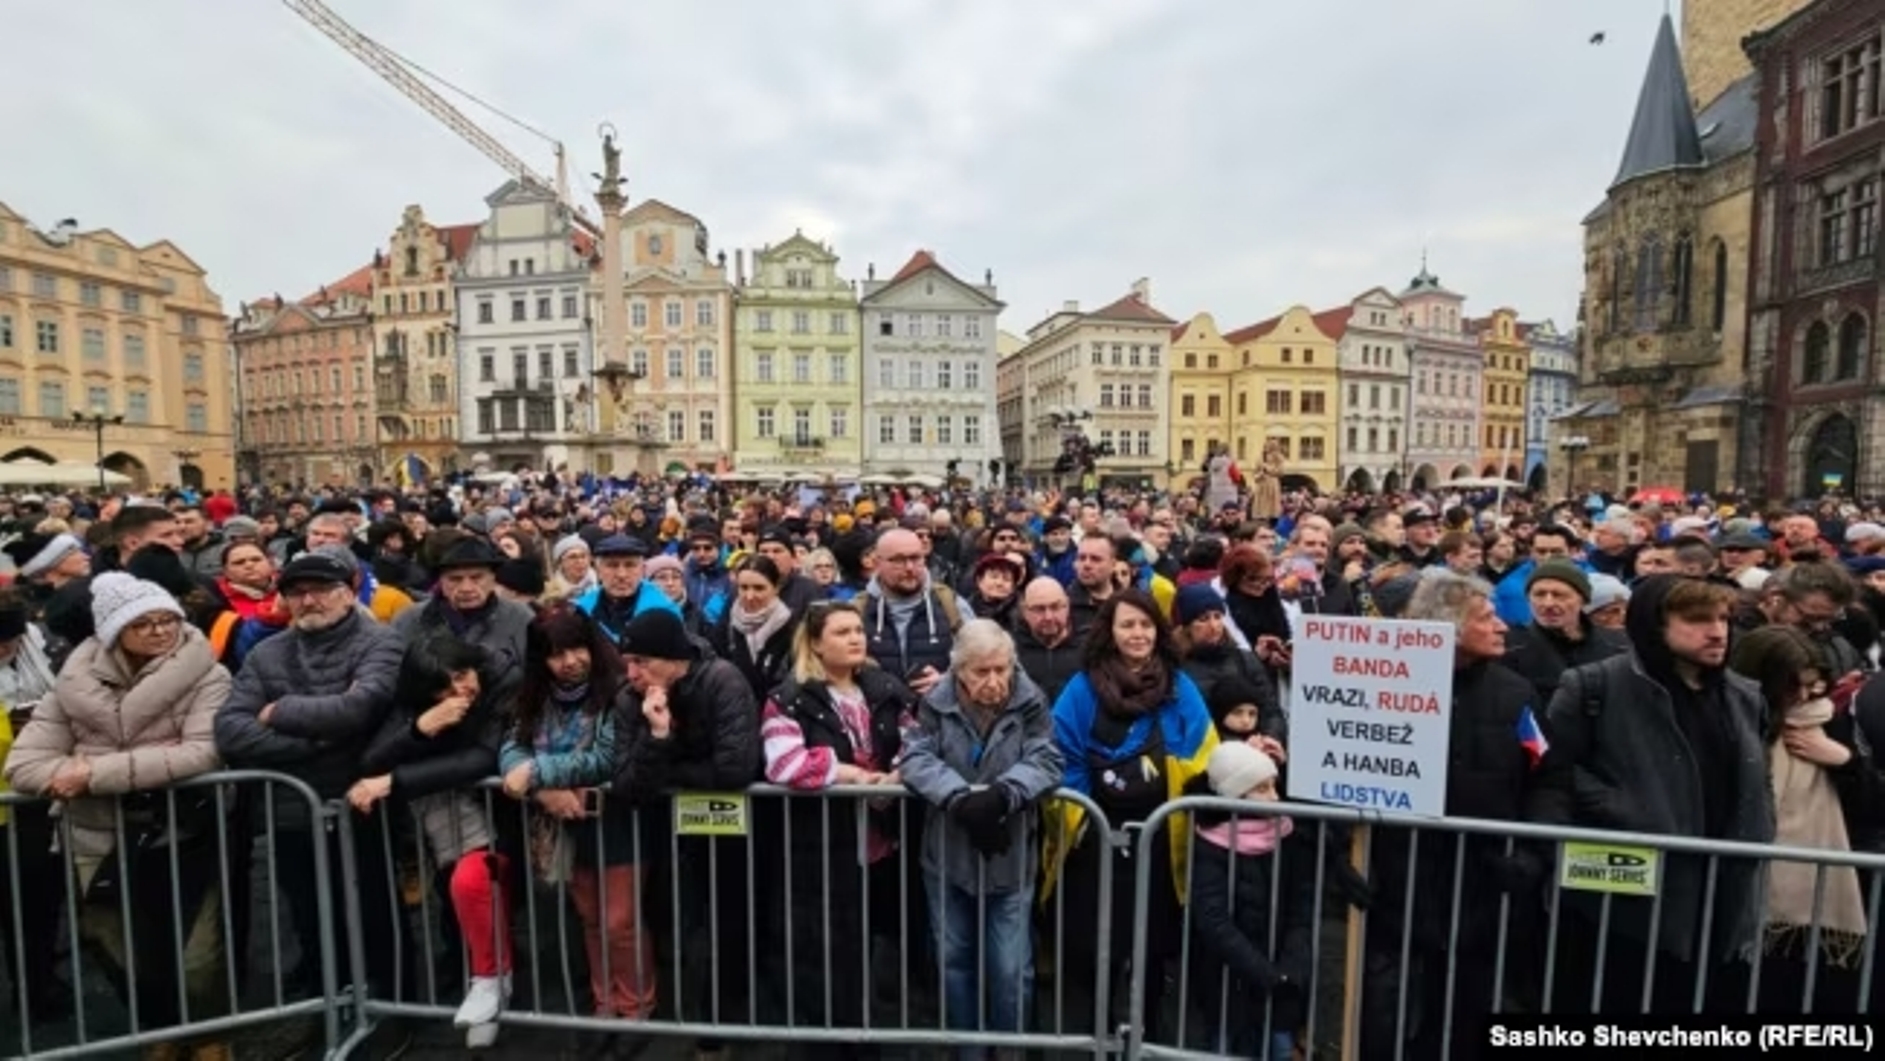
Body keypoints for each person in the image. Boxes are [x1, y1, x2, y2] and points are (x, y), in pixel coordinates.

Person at [6, 573, 235, 1060]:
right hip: (95, 836)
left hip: (180, 827)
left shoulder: (208, 675)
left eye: (166, 620)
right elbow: (24, 765)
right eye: (143, 623)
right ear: (113, 631)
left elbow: (201, 753)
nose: (158, 631)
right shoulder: (73, 682)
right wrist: (107, 770)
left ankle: (209, 1038)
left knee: (196, 951)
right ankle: (164, 1030)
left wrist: (91, 773)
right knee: (116, 949)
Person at [1530, 575, 1772, 1013]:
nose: (1717, 631)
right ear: (1653, 625)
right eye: (1697, 620)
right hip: (1625, 904)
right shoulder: (1593, 685)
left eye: (1723, 618)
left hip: (1722, 897)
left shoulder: (1743, 695)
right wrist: (1626, 808)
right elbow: (1553, 770)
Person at [212, 551, 414, 1013]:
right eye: (297, 593)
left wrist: (280, 713)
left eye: (320, 590)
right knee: (309, 913)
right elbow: (230, 730)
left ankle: (399, 1002)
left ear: (346, 593)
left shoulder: (379, 642)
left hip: (362, 802)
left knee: (377, 911)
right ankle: (333, 1002)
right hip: (290, 806)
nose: (308, 600)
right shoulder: (267, 653)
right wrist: (321, 741)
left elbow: (359, 710)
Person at [1045, 589, 1217, 1040]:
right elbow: (1062, 752)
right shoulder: (1082, 686)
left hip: (1161, 838)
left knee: (1152, 946)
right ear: (1110, 631)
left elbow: (1202, 750)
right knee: (1094, 945)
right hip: (1096, 840)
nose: (1137, 634)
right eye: (1127, 625)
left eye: (1145, 625)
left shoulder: (1180, 686)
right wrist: (1082, 822)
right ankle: (1095, 1033)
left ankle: (1148, 1035)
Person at [758, 601, 919, 1050]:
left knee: (872, 950)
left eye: (858, 630)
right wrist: (849, 775)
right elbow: (783, 763)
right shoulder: (788, 696)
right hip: (820, 848)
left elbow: (919, 740)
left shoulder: (885, 687)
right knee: (822, 957)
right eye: (842, 632)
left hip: (881, 844)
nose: (856, 638)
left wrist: (898, 774)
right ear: (814, 643)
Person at [901, 619, 1063, 1058]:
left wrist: (1003, 796)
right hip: (947, 855)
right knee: (954, 964)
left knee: (1011, 970)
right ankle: (968, 1053)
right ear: (960, 671)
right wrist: (958, 799)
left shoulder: (1030, 701)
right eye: (982, 672)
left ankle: (1009, 1053)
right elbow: (914, 758)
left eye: (1001, 669)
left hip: (1011, 856)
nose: (994, 681)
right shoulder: (936, 702)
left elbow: (1047, 758)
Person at [499, 606, 656, 1046]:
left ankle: (637, 1006)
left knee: (620, 920)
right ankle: (604, 1002)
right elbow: (511, 748)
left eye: (576, 648)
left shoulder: (619, 691)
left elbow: (607, 757)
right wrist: (542, 788)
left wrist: (536, 774)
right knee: (589, 917)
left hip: (620, 817)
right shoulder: (532, 697)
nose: (569, 661)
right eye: (555, 654)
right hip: (568, 820)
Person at [611, 609, 760, 1061]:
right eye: (627, 662)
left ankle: (723, 1025)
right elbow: (627, 784)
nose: (632, 674)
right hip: (662, 827)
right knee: (676, 921)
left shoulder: (721, 681)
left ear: (674, 659)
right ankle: (696, 1015)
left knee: (726, 926)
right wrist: (657, 734)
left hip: (732, 829)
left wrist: (666, 771)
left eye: (642, 662)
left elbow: (735, 767)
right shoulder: (628, 698)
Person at [353, 635, 514, 1047]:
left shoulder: (503, 684)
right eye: (445, 686)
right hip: (437, 821)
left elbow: (484, 757)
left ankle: (492, 982)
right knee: (462, 898)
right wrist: (420, 730)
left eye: (462, 676)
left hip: (504, 813)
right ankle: (490, 983)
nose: (459, 691)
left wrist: (397, 780)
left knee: (475, 886)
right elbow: (372, 760)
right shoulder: (413, 702)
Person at [1730, 625, 1878, 1012]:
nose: (1807, 695)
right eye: (1795, 686)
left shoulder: (1833, 721)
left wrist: (1844, 760)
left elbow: (1873, 802)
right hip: (1745, 888)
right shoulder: (1737, 721)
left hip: (1823, 890)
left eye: (1816, 685)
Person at [710, 555, 798, 701]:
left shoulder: (792, 630)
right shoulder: (726, 625)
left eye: (759, 588)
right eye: (743, 588)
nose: (749, 596)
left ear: (776, 588)